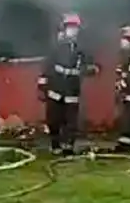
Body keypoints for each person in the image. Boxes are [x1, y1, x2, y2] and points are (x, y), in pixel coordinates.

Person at [37, 13, 98, 156]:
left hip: (72, 91)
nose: (72, 30)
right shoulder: (56, 47)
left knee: (70, 122)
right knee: (53, 120)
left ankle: (68, 147)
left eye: (75, 28)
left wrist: (89, 69)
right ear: (63, 29)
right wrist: (42, 87)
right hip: (55, 89)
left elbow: (94, 67)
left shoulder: (83, 49)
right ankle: (55, 144)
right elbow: (47, 67)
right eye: (70, 27)